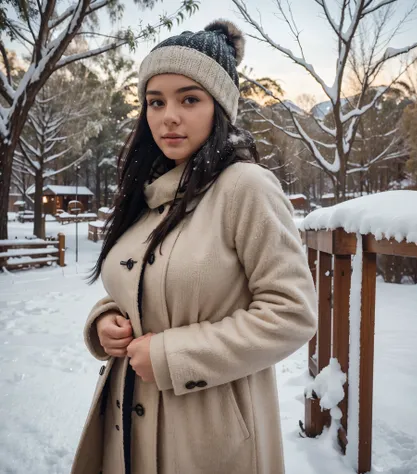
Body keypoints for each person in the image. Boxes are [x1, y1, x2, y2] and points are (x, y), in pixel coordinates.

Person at [71, 19, 318, 474]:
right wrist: (104, 320)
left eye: (189, 99)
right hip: (125, 424)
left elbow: (292, 312)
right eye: (155, 101)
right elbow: (148, 285)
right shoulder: (148, 193)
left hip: (208, 436)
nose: (169, 116)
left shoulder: (246, 188)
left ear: (219, 106)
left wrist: (171, 356)